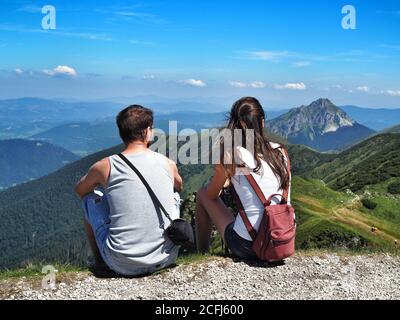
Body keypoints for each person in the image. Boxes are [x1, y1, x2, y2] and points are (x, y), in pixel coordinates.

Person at [75, 105, 183, 277]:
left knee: (89, 200)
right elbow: (179, 186)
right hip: (166, 257)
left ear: (121, 133)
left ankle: (100, 261)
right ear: (147, 131)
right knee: (175, 196)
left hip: (120, 263)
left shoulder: (105, 165)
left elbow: (81, 191)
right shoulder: (167, 163)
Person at [195, 97, 291, 260]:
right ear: (262, 121)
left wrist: (224, 180)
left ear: (237, 124)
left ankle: (201, 253)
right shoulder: (281, 152)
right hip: (283, 239)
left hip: (249, 245)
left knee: (203, 194)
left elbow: (211, 195)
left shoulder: (232, 154)